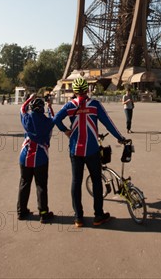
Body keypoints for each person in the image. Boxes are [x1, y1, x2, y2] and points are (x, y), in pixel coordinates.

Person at [54, 77, 125, 228]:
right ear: (87, 90)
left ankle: (78, 217)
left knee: (76, 182)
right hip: (92, 149)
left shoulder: (69, 106)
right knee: (97, 182)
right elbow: (108, 123)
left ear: (74, 90)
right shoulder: (95, 105)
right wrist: (120, 138)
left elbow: (55, 119)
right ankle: (98, 215)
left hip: (75, 149)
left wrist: (66, 131)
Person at [17, 94, 57, 223]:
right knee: (41, 185)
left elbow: (22, 109)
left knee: (24, 183)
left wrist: (30, 98)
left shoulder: (27, 119)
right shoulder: (47, 122)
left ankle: (21, 211)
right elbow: (53, 118)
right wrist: (49, 106)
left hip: (25, 156)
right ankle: (43, 213)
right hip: (40, 157)